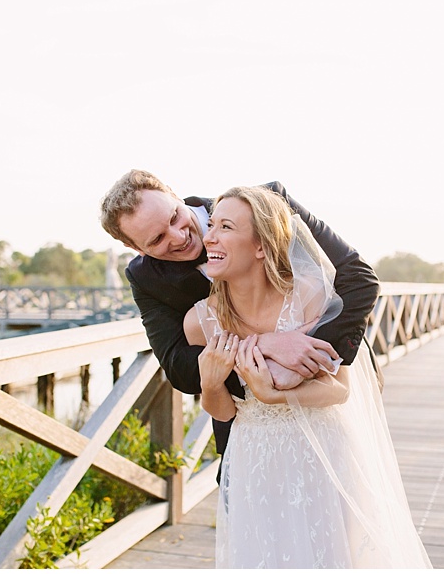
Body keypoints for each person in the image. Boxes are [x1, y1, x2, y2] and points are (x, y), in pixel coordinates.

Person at [184, 186, 431, 568]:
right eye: (211, 224)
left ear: (261, 246)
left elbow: (339, 389)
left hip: (321, 448)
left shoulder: (309, 295)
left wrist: (275, 395)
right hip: (253, 456)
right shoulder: (200, 322)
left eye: (226, 227)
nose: (209, 236)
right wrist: (210, 384)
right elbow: (222, 412)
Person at [99, 170, 381, 459]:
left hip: (332, 398)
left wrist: (307, 361)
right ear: (134, 248)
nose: (180, 236)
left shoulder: (264, 204)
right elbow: (178, 366)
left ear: (173, 193)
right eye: (158, 239)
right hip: (246, 427)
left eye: (174, 217)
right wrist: (266, 344)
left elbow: (359, 280)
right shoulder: (145, 277)